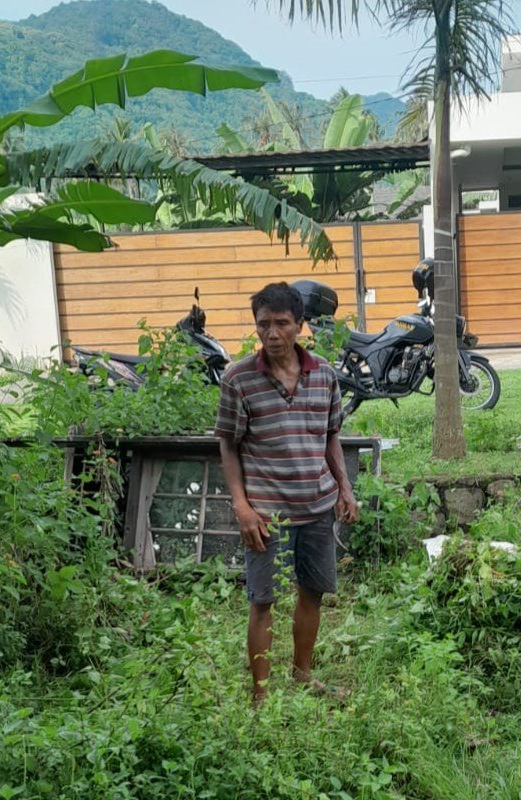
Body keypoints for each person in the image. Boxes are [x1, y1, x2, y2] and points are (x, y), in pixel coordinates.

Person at [215, 282, 360, 707]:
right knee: (263, 601)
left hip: (315, 506)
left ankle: (302, 676)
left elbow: (331, 436)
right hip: (267, 514)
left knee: (312, 593)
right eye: (264, 324)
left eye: (281, 324)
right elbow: (228, 445)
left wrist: (344, 489)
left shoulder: (325, 376)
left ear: (300, 325)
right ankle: (260, 697)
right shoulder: (239, 379)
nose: (272, 334)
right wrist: (242, 507)